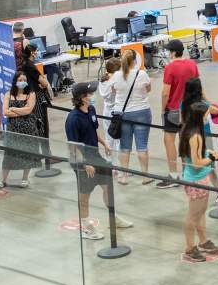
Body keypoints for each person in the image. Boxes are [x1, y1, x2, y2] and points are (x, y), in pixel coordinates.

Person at [64, 83, 133, 240]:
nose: (93, 95)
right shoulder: (73, 119)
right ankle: (86, 227)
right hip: (81, 160)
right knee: (85, 194)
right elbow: (73, 147)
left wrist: (104, 143)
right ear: (83, 97)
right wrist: (83, 164)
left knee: (108, 186)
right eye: (90, 93)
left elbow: (93, 131)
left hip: (95, 156)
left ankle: (113, 218)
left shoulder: (91, 110)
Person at [177, 101, 218, 263]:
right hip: (196, 180)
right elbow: (196, 163)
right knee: (193, 216)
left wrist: (208, 152)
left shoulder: (191, 131)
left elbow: (193, 155)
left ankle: (203, 241)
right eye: (206, 114)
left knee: (200, 212)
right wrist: (211, 157)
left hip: (200, 178)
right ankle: (189, 248)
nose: (208, 117)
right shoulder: (195, 135)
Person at [157, 39, 199, 188]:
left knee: (169, 140)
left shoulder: (170, 68)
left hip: (174, 108)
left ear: (173, 52)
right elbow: (197, 85)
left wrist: (163, 109)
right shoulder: (192, 64)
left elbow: (165, 93)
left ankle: (174, 175)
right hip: (190, 108)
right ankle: (187, 174)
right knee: (185, 141)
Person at [110, 50, 153, 184]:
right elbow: (148, 89)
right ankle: (145, 176)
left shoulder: (116, 75)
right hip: (141, 111)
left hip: (122, 114)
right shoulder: (142, 74)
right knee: (142, 145)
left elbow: (113, 90)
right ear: (135, 61)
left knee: (124, 146)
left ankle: (123, 176)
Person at [0, 72, 42, 190]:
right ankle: (3, 180)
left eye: (24, 79)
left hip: (28, 128)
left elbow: (28, 110)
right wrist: (20, 110)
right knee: (9, 154)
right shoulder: (9, 94)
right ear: (15, 81)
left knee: (27, 153)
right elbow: (5, 112)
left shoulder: (31, 94)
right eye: (20, 79)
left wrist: (14, 109)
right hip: (13, 129)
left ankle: (25, 178)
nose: (22, 81)